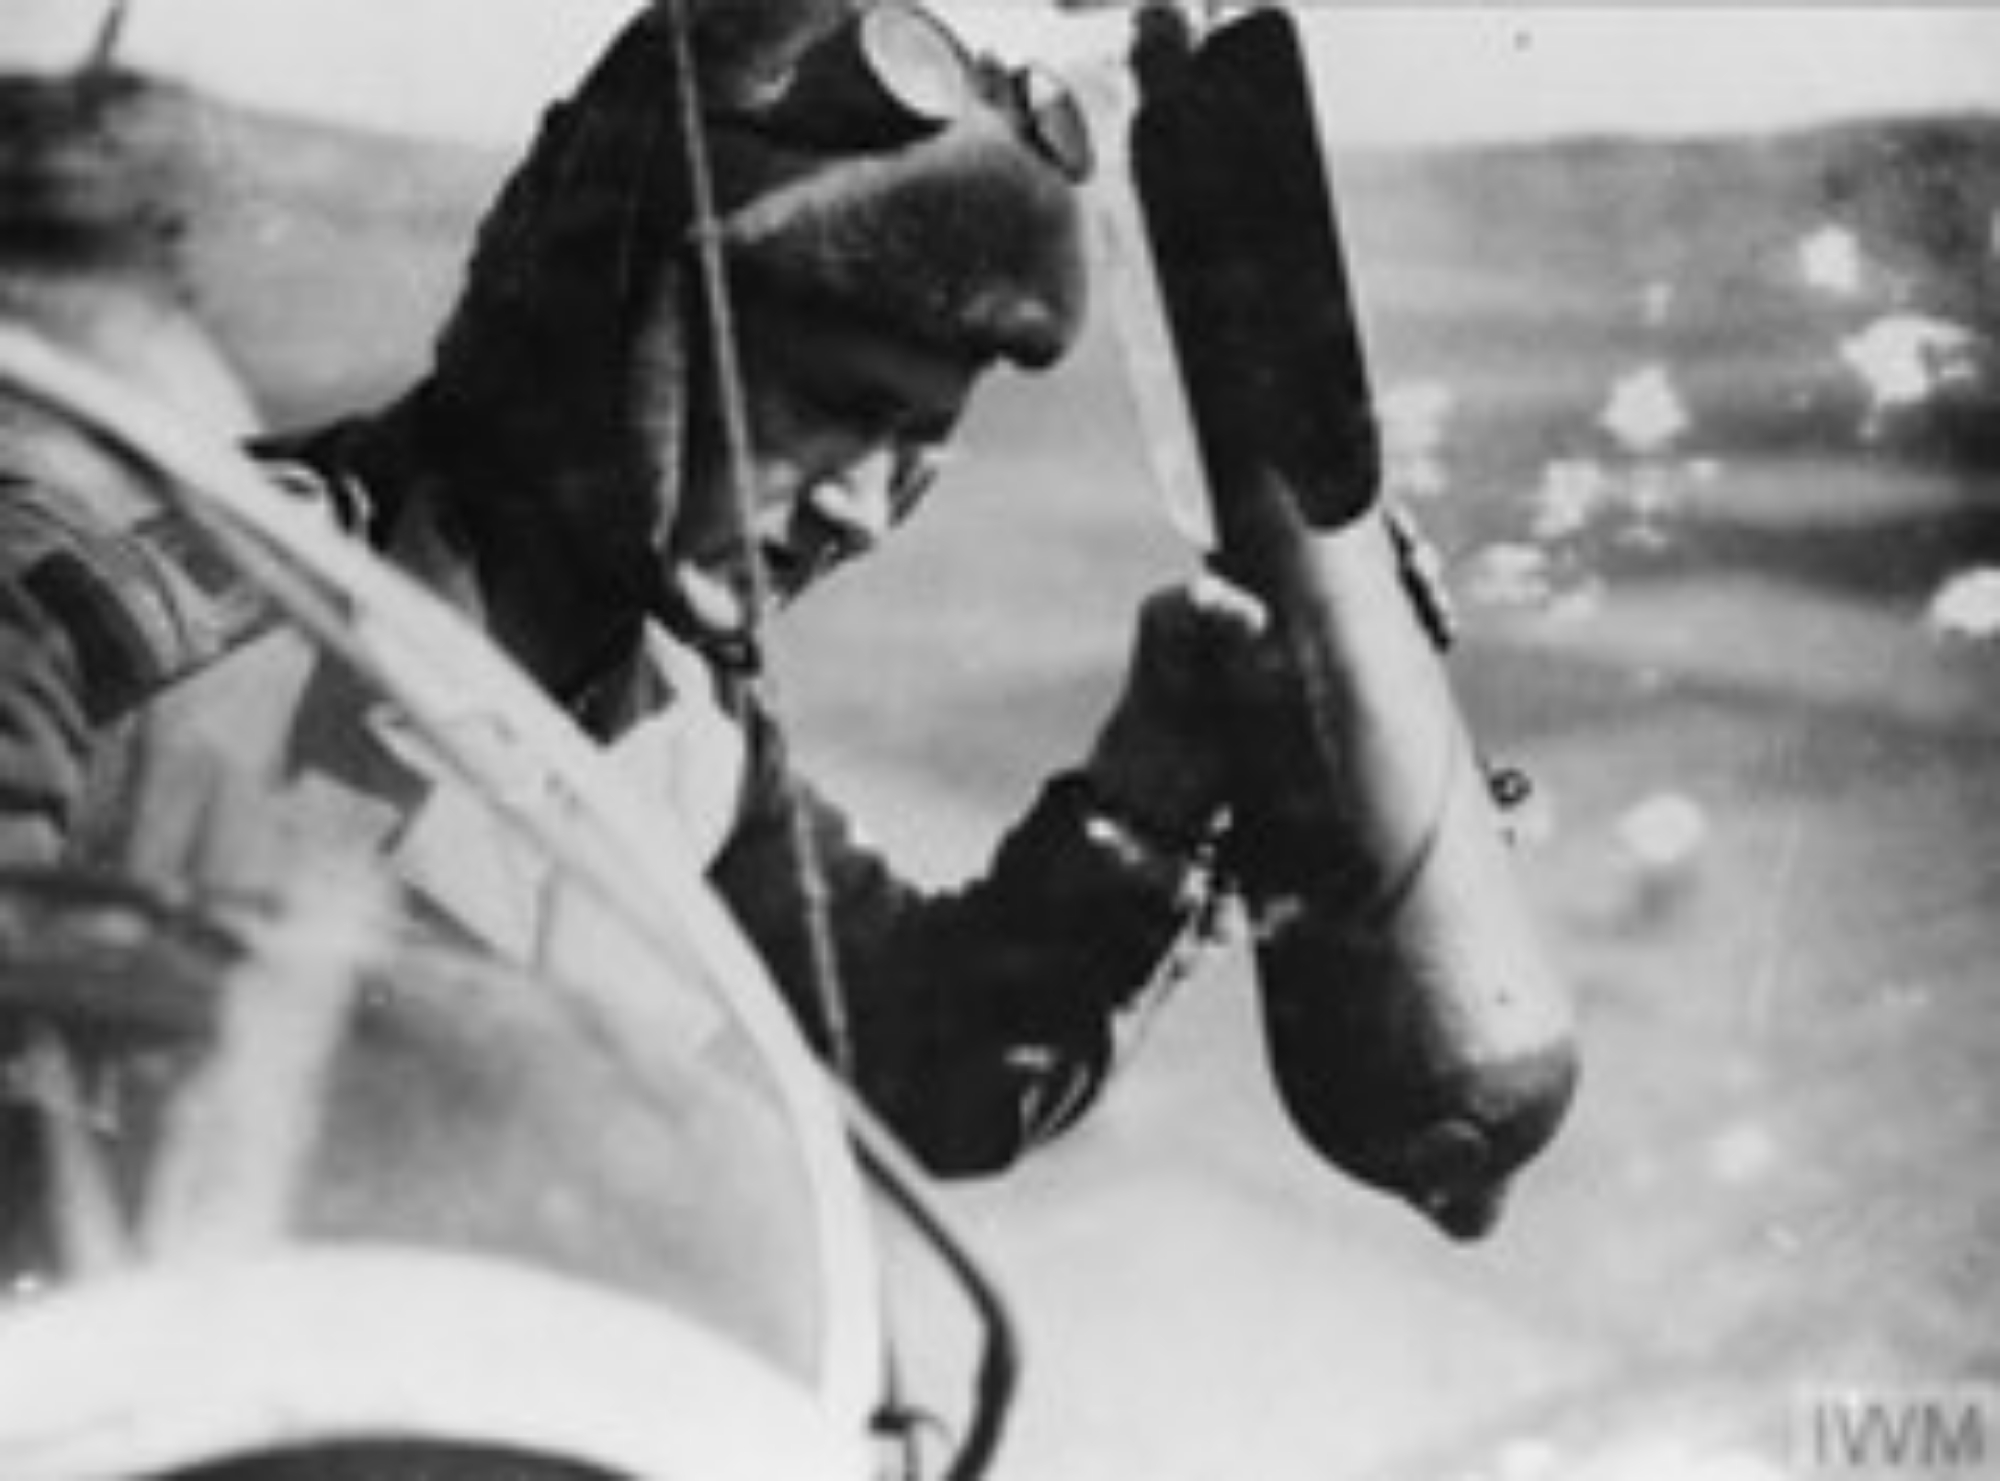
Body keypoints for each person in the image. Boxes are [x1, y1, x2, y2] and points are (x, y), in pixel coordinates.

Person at [0, 0, 1281, 1177]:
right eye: (835, 407)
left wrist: (1147, 799)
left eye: (919, 444)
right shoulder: (126, 625)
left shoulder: (687, 733)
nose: (859, 505)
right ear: (608, 324)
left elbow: (915, 1058)